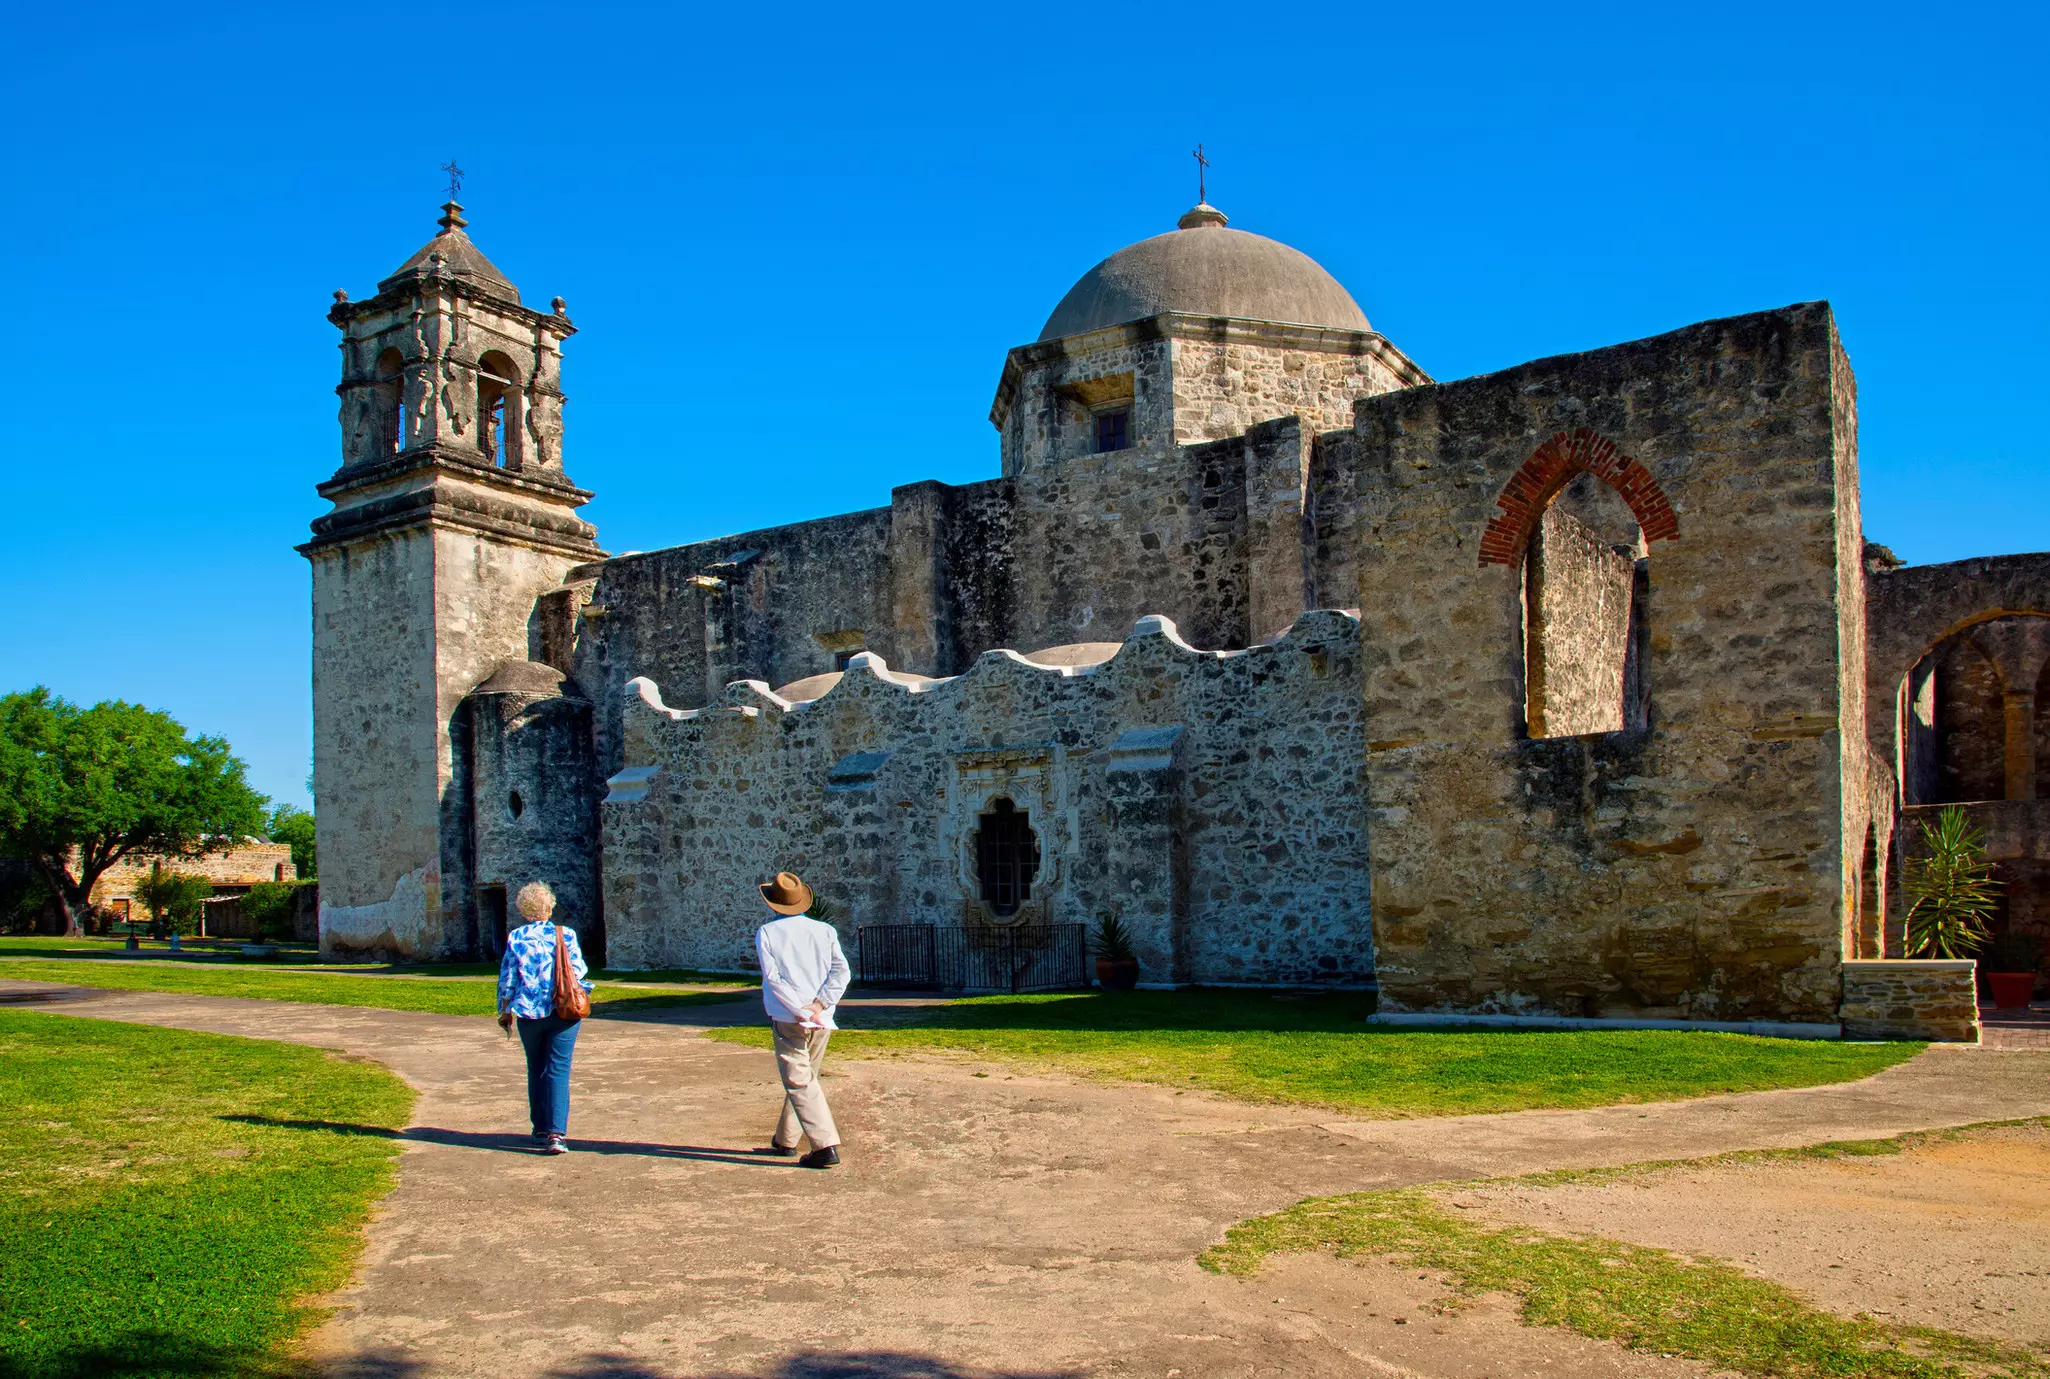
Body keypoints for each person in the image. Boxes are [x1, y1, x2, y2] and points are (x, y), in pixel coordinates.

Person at [754, 871, 850, 1169]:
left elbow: (774, 980)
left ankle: (824, 1146)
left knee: (798, 1080)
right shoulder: (825, 931)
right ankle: (786, 1139)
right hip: (821, 1017)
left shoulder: (767, 933)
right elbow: (841, 972)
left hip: (789, 1016)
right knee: (806, 1077)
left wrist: (798, 1009)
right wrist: (820, 1004)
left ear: (774, 905)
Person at [495, 881, 592, 1155]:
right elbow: (579, 971)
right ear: (549, 907)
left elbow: (508, 979)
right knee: (558, 1069)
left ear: (523, 910)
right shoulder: (566, 935)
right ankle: (556, 1134)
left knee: (536, 1067)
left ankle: (539, 1129)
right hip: (563, 1010)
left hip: (528, 1012)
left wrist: (505, 1011)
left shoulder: (516, 938)